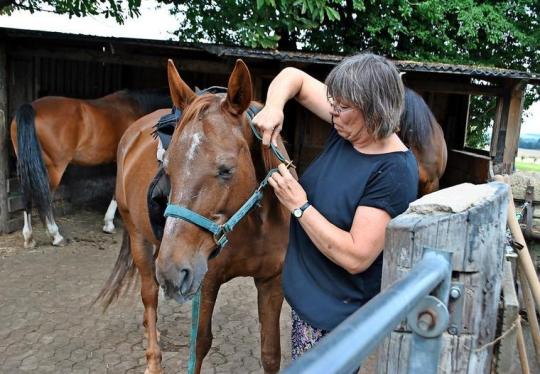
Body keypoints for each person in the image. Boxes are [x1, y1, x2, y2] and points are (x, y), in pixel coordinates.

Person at [252, 53, 419, 359]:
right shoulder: (350, 131)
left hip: (333, 316)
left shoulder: (393, 171)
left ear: (374, 112)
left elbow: (357, 256)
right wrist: (274, 107)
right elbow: (294, 77)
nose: (333, 113)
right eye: (333, 103)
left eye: (343, 108)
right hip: (310, 298)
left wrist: (299, 206)